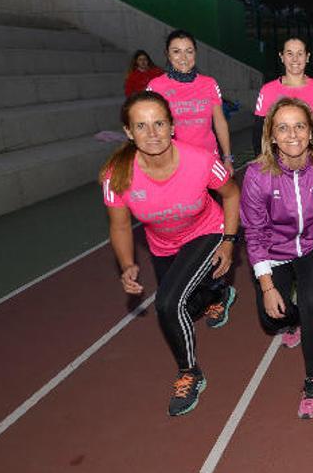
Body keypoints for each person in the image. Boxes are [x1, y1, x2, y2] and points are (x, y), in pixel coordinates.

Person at [100, 91, 240, 416]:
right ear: (128, 132)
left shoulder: (201, 160)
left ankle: (189, 373)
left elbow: (231, 195)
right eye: (142, 126)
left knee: (167, 303)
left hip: (207, 231)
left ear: (172, 125)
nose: (152, 134)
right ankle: (218, 293)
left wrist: (229, 242)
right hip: (163, 245)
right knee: (186, 309)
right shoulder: (116, 176)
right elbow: (120, 227)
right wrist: (127, 265)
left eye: (159, 123)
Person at [241, 97, 313, 419]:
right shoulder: (257, 175)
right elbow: (254, 233)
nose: (292, 135)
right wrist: (267, 288)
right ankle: (293, 319)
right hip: (275, 247)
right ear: (272, 136)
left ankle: (312, 380)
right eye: (283, 128)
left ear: (311, 132)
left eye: (299, 126)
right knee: (272, 317)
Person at [147, 30, 234, 175]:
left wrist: (227, 158)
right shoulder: (156, 86)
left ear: (195, 53)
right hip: (174, 163)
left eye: (189, 51)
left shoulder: (209, 83)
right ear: (167, 54)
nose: (183, 58)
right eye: (176, 51)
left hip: (209, 160)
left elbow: (220, 122)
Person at [252, 37, 313, 155]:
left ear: (307, 57)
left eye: (300, 53)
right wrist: (260, 160)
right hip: (281, 161)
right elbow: (259, 130)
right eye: (289, 53)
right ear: (281, 57)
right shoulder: (267, 90)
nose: (295, 59)